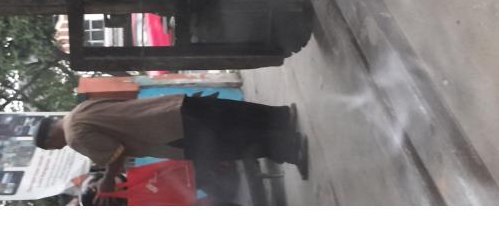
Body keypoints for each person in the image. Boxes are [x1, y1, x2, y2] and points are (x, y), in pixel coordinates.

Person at [34, 94, 309, 197]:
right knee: (229, 115)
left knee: (228, 144)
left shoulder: (75, 137)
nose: (58, 149)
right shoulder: (79, 109)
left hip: (165, 133)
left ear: (50, 139)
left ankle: (289, 148)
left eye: (52, 147)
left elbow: (115, 153)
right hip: (168, 107)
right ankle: (281, 117)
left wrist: (107, 181)